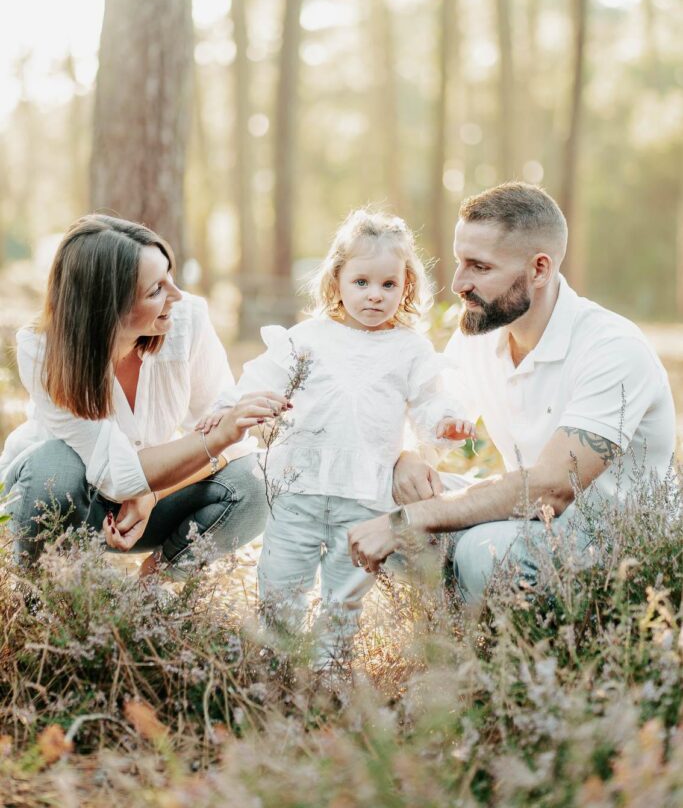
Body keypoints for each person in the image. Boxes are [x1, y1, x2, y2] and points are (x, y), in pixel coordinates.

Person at [348, 183, 677, 602]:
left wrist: (412, 519)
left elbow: (551, 488)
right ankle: (458, 627)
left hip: (612, 544)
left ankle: (523, 648)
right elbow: (434, 418)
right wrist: (410, 457)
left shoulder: (613, 349)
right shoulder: (481, 334)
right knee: (367, 494)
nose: (458, 283)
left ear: (539, 269)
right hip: (525, 523)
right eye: (458, 262)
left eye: (479, 267)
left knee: (483, 552)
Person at [197, 209, 475, 662]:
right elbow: (261, 377)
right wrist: (228, 407)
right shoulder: (309, 338)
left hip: (364, 497)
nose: (374, 296)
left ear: (406, 285)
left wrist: (445, 422)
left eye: (389, 285)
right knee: (282, 583)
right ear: (337, 280)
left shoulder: (409, 348)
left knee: (345, 596)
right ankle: (278, 664)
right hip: (299, 488)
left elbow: (429, 400)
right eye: (361, 282)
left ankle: (329, 672)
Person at [0, 214, 289, 576]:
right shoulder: (42, 348)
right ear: (106, 307)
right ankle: (43, 590)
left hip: (143, 505)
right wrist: (216, 436)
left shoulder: (187, 320)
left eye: (170, 276)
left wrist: (154, 494)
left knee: (256, 479)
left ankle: (153, 590)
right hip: (59, 502)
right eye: (156, 290)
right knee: (56, 464)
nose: (177, 295)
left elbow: (231, 443)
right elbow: (115, 475)